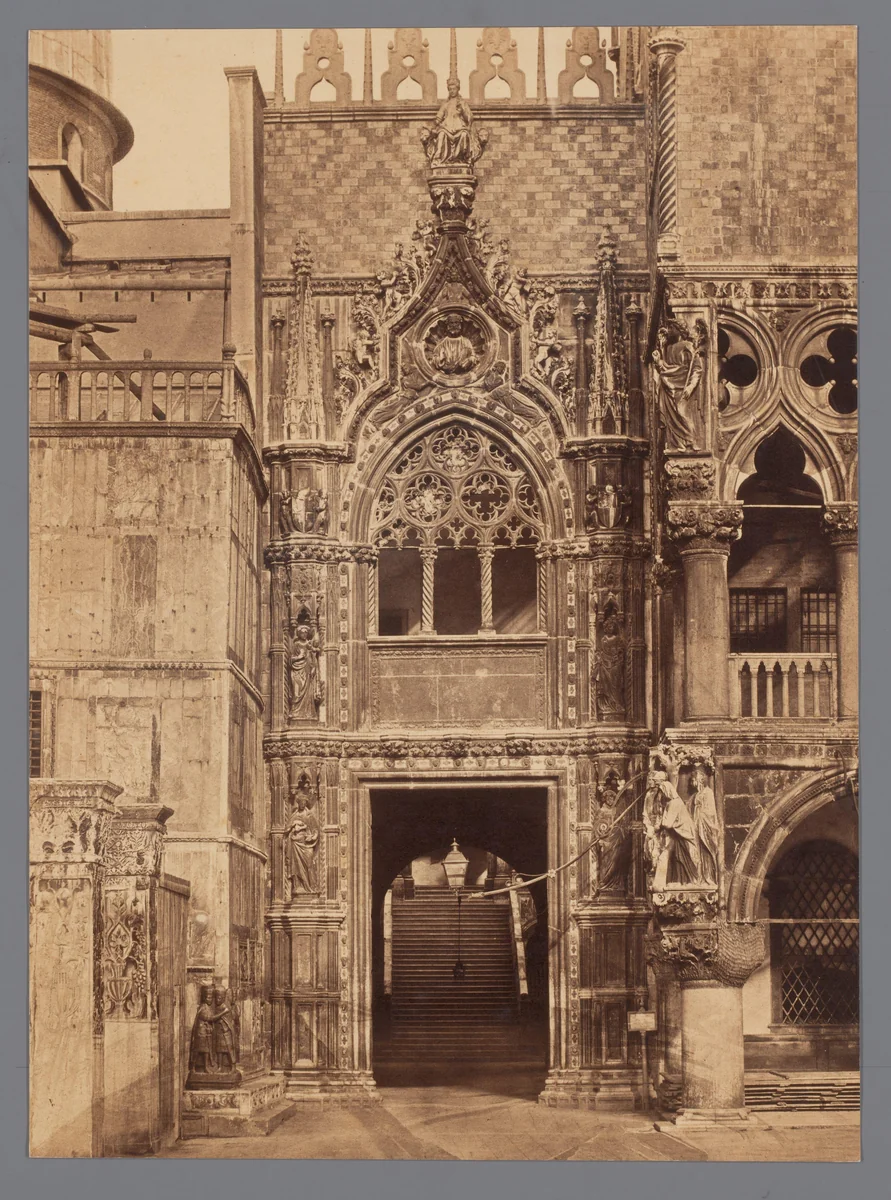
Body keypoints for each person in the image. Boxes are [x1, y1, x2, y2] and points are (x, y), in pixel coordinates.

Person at [421, 78, 486, 167]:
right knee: (441, 134)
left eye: (454, 89)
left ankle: (460, 159)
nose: (452, 91)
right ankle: (438, 158)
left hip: (459, 127)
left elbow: (469, 118)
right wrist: (437, 124)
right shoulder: (445, 104)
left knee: (464, 134)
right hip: (446, 127)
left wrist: (462, 111)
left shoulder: (462, 103)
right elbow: (439, 117)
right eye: (450, 89)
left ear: (457, 89)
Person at [690, 765, 721, 885]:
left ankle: (708, 877)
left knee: (706, 851)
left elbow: (711, 813)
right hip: (697, 824)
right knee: (696, 850)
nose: (693, 781)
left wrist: (701, 820)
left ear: (702, 778)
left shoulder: (708, 792)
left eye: (694, 778)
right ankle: (698, 876)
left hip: (704, 826)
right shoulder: (697, 795)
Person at [285, 802, 319, 895]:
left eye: (304, 802)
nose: (302, 804)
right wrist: (292, 825)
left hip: (307, 844)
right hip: (295, 843)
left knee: (309, 864)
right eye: (301, 802)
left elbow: (315, 830)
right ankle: (297, 887)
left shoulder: (309, 815)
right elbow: (286, 829)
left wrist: (313, 837)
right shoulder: (294, 815)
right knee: (295, 866)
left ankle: (312, 887)